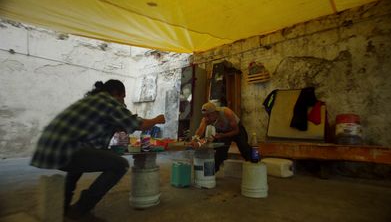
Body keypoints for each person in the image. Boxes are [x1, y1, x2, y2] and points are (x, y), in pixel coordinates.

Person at [30, 79, 165, 219]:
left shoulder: (93, 100)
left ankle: (63, 208)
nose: (123, 101)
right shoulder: (108, 102)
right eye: (123, 97)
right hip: (64, 149)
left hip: (50, 147)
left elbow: (104, 129)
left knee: (82, 161)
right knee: (120, 165)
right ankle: (80, 210)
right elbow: (140, 124)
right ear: (115, 93)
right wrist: (157, 119)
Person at [192, 102, 251, 172]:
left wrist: (223, 135)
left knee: (244, 147)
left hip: (237, 130)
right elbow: (200, 130)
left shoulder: (226, 112)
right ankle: (211, 173)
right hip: (224, 133)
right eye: (204, 116)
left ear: (214, 112)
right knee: (221, 151)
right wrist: (194, 140)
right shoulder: (206, 119)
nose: (206, 118)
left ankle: (255, 164)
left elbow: (236, 131)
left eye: (208, 115)